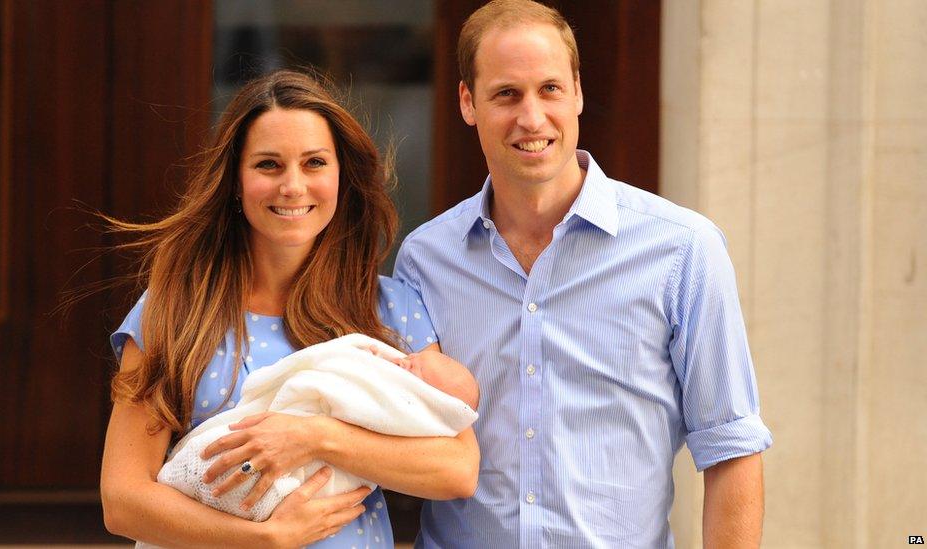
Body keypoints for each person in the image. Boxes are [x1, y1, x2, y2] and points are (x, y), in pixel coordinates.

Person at [393, 1, 773, 547]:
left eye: (549, 89)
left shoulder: (684, 251)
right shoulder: (425, 260)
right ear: (467, 102)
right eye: (506, 94)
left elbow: (731, 446)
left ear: (576, 92)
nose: (531, 117)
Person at [100, 69, 479, 549]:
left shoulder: (391, 308)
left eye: (315, 162)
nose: (293, 186)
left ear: (342, 176)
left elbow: (456, 470)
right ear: (236, 181)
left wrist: (314, 437)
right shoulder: (175, 311)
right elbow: (123, 499)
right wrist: (266, 538)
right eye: (269, 165)